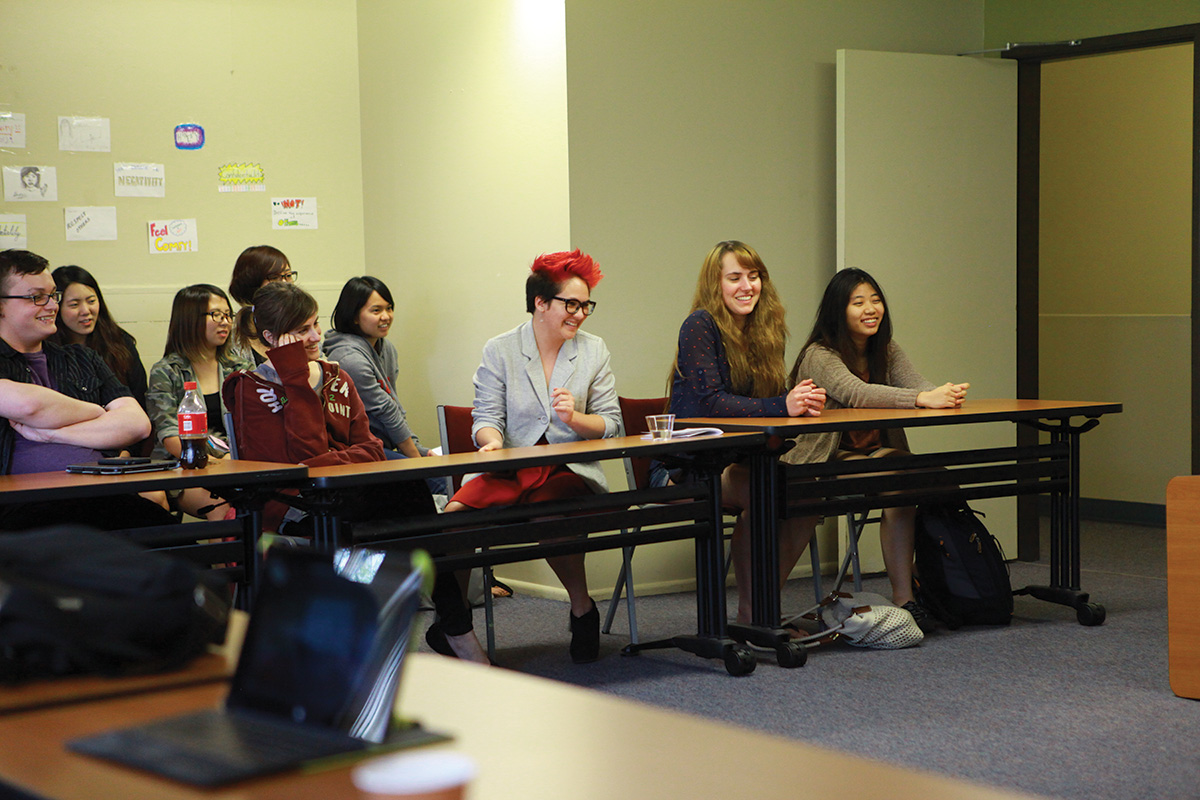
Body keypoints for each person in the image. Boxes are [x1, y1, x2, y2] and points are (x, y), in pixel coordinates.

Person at [436, 250, 621, 665]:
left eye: (586, 305)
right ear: (540, 303)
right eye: (571, 304)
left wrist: (575, 418)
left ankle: (582, 609)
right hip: (509, 467)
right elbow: (486, 418)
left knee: (551, 514)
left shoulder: (594, 350)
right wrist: (490, 442)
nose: (580, 314)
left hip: (566, 467)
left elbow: (611, 424)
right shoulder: (501, 349)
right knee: (452, 520)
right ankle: (456, 620)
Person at [784, 267, 969, 631]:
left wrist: (943, 394)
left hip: (874, 453)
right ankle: (908, 593)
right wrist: (922, 399)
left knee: (920, 480)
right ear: (838, 310)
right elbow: (857, 393)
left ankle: (910, 596)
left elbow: (916, 385)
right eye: (858, 302)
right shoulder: (819, 354)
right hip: (823, 456)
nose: (870, 309)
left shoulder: (886, 349)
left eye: (875, 300)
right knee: (899, 477)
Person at [668, 240, 826, 629]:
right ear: (715, 284)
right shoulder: (700, 325)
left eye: (754, 277)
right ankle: (754, 614)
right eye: (735, 277)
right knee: (761, 489)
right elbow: (711, 403)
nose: (747, 286)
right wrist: (782, 405)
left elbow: (767, 401)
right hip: (690, 464)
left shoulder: (766, 330)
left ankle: (761, 607)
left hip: (742, 459)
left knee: (809, 496)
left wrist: (801, 402)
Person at [0, 249, 175, 531]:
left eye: (53, 295)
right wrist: (98, 412)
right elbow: (28, 405)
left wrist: (51, 434)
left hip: (99, 495)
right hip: (24, 508)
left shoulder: (82, 359)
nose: (51, 306)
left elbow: (137, 424)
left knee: (172, 536)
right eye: (37, 297)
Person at [146, 284, 253, 520]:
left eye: (228, 315)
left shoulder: (240, 367)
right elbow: (170, 436)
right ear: (189, 319)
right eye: (216, 314)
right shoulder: (167, 371)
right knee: (223, 510)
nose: (225, 322)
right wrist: (218, 462)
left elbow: (256, 424)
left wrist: (235, 461)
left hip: (236, 463)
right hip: (182, 466)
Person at [50, 265, 148, 414]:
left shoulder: (120, 342)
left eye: (91, 301)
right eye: (74, 305)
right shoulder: (47, 349)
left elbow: (140, 398)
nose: (86, 311)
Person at [228, 245, 294, 365]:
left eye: (288, 275)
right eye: (274, 277)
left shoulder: (298, 325)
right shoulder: (232, 340)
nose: (285, 283)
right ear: (252, 283)